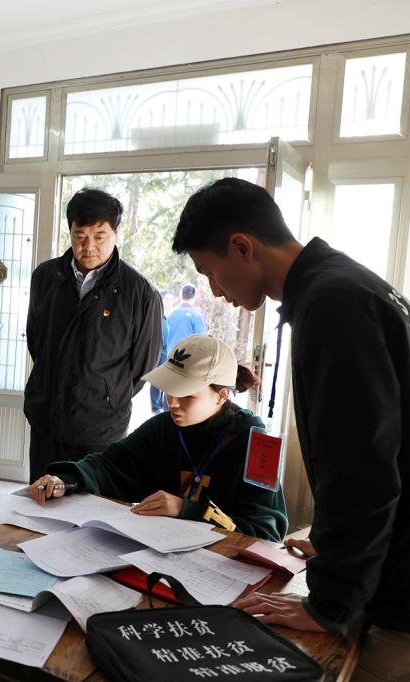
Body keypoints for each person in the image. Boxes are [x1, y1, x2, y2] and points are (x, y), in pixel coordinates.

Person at [173, 177, 410, 679]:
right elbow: (401, 444)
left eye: (210, 271)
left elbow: (362, 468)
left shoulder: (334, 305)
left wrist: (329, 601)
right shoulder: (354, 286)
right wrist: (340, 546)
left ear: (242, 247)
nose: (215, 291)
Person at [31, 334, 287, 541]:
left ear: (221, 396)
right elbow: (111, 465)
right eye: (169, 390)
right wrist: (67, 479)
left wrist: (185, 509)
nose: (172, 403)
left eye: (186, 395)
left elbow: (265, 534)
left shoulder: (259, 446)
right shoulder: (164, 427)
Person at [24, 188, 163, 482]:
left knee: (89, 503)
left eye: (99, 236)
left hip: (100, 429)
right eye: (80, 236)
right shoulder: (45, 277)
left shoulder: (139, 292)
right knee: (41, 498)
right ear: (70, 232)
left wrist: (105, 396)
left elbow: (142, 367)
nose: (89, 246)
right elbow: (37, 341)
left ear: (116, 233)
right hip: (47, 419)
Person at [150, 288, 174, 414]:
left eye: (171, 299)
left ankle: (163, 407)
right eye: (167, 299)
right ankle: (156, 407)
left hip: (167, 354)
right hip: (159, 354)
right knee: (157, 381)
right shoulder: (158, 316)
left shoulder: (168, 316)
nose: (169, 302)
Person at [166, 283, 207, 350]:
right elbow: (202, 341)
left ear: (180, 295)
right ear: (195, 296)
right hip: (188, 355)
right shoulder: (196, 315)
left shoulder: (171, 314)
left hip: (170, 354)